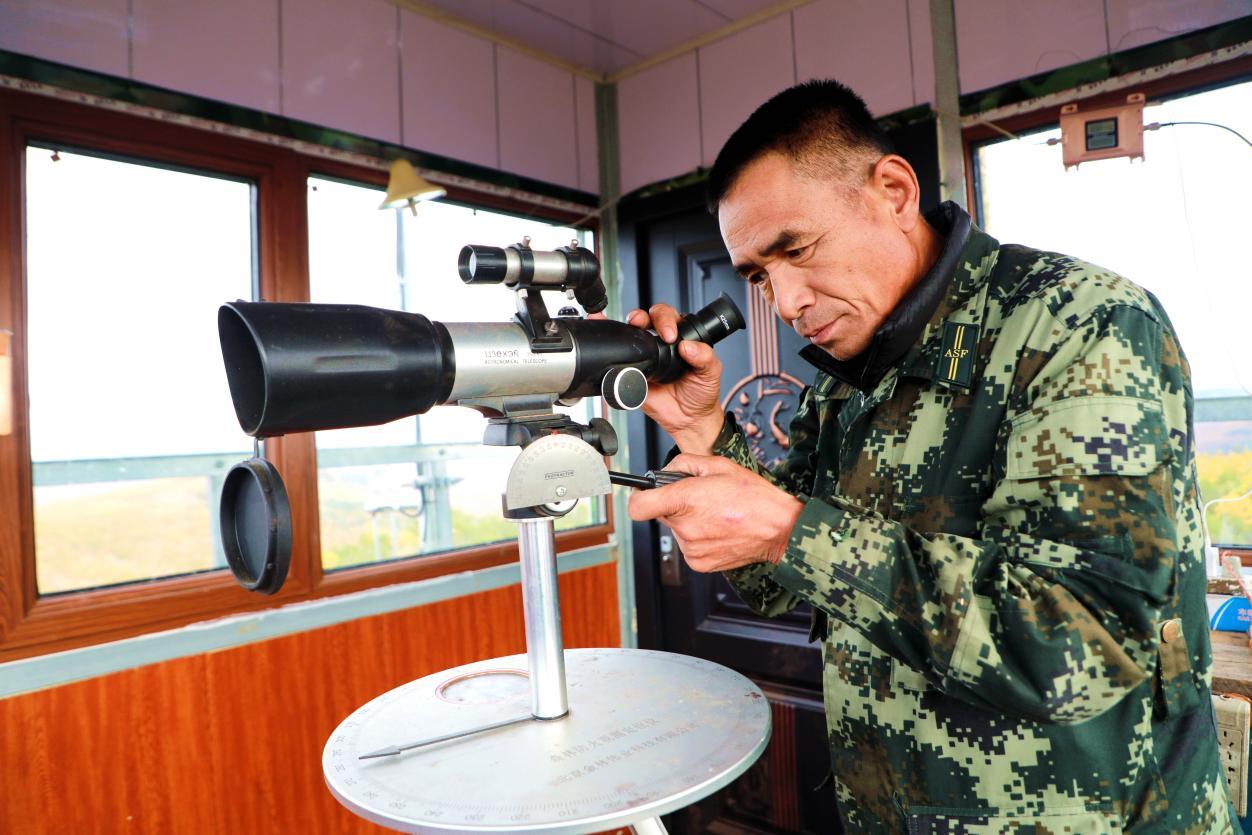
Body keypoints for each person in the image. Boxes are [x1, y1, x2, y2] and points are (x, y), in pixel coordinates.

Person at [625, 79, 1236, 832]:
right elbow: (772, 583)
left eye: (797, 249)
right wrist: (702, 430)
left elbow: (1078, 641)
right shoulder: (847, 381)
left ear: (893, 190)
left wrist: (790, 532)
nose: (784, 303)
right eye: (758, 275)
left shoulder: (1078, 324)